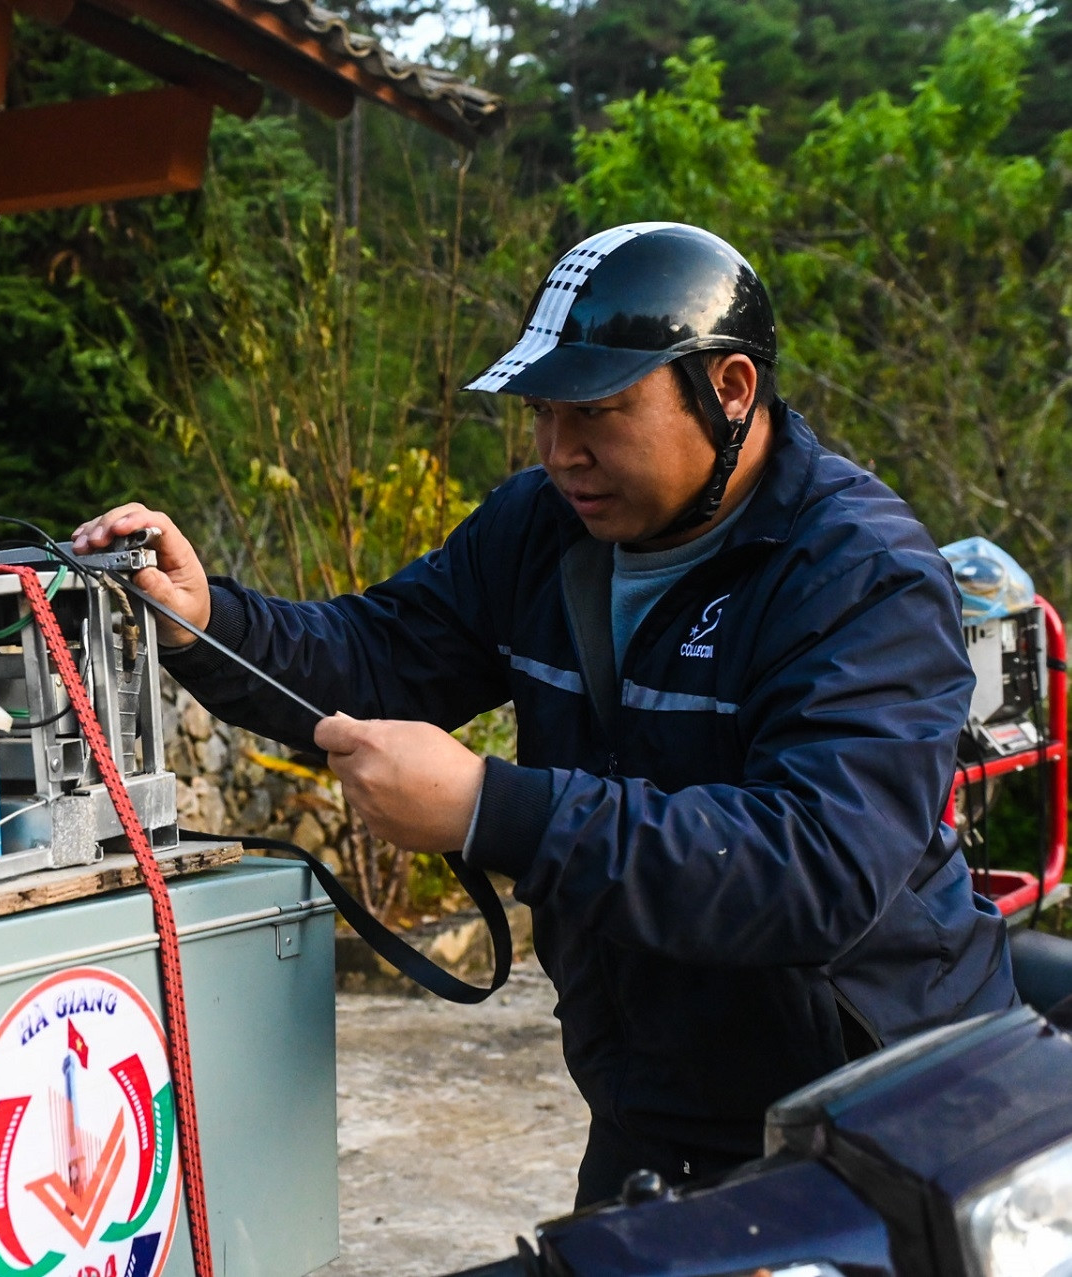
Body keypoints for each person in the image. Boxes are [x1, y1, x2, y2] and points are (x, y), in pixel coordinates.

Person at [74, 222, 1016, 1204]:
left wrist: (494, 806)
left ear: (729, 389)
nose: (562, 453)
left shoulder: (859, 575)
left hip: (877, 1108)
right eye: (542, 415)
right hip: (651, 1092)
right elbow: (381, 654)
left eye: (600, 412)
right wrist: (203, 621)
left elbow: (817, 862)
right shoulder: (541, 528)